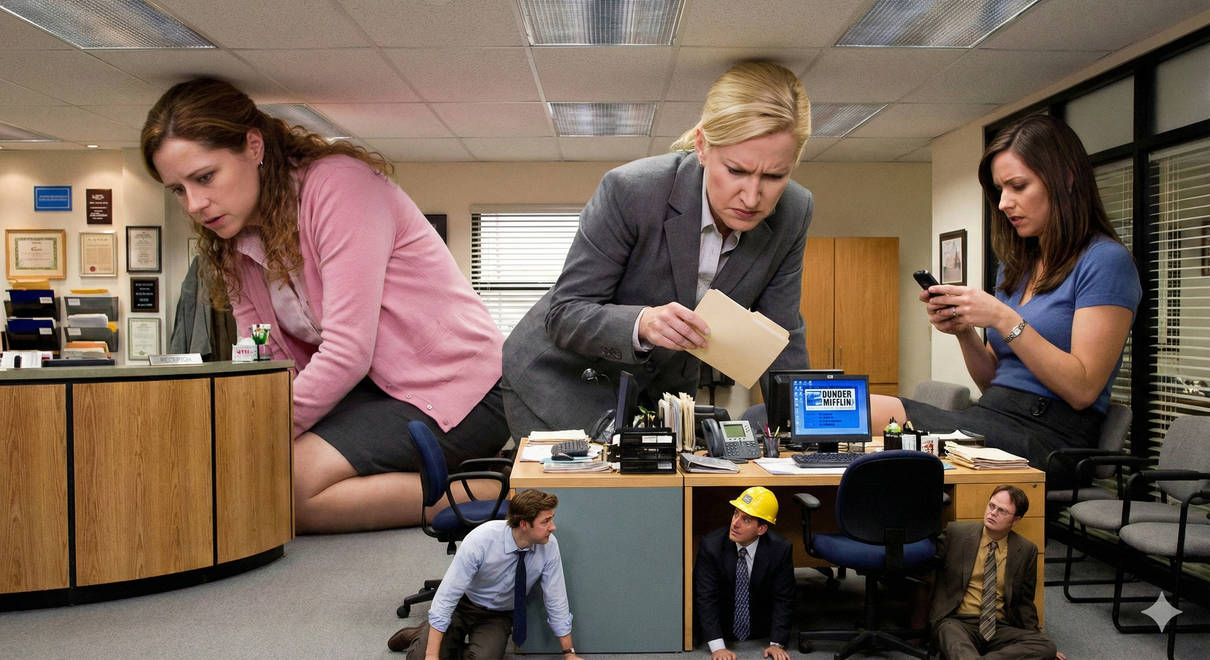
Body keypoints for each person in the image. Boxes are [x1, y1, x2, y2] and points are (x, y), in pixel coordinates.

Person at [140, 79, 509, 533]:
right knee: (258, 477)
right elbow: (267, 357)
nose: (195, 204)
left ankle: (506, 489)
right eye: (178, 190)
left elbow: (348, 352)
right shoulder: (234, 241)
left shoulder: (338, 186)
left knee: (285, 488)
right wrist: (241, 426)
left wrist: (256, 433)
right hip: (375, 398)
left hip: (461, 391)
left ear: (253, 146)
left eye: (204, 177)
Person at [501, 60, 814, 436]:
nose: (751, 197)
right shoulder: (631, 190)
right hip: (560, 379)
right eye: (736, 170)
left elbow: (781, 336)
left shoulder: (794, 212)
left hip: (656, 393)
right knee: (585, 478)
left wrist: (805, 432)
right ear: (702, 146)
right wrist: (643, 323)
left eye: (775, 176)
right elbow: (565, 313)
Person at [871, 114, 1141, 478]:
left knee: (868, 413)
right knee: (856, 413)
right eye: (1000, 190)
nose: (1003, 203)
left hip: (1051, 439)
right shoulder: (1018, 268)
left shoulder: (1106, 261)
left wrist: (1003, 317)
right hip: (992, 414)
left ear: (1066, 179)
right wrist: (964, 332)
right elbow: (992, 381)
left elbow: (1082, 389)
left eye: (1018, 186)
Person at [386, 489, 584, 659]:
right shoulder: (481, 540)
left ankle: (437, 638)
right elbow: (447, 596)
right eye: (546, 521)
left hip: (498, 615)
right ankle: (423, 634)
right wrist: (431, 655)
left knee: (483, 657)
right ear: (524, 524)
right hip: (463, 604)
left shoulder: (549, 547)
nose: (553, 527)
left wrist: (569, 653)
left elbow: (556, 599)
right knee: (421, 657)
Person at [930, 485, 1058, 659]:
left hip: (999, 626)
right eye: (991, 506)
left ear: (1016, 520)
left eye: (1002, 511)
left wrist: (1034, 637)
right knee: (950, 634)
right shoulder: (957, 534)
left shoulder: (1026, 550)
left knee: (1046, 647)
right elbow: (927, 562)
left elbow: (1024, 602)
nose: (992, 513)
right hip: (958, 621)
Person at [694, 486, 795, 660]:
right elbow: (705, 597)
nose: (735, 523)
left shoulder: (780, 549)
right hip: (723, 626)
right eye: (735, 514)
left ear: (761, 529)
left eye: (746, 520)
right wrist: (718, 647)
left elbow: (784, 598)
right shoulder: (711, 546)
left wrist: (776, 643)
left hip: (760, 628)